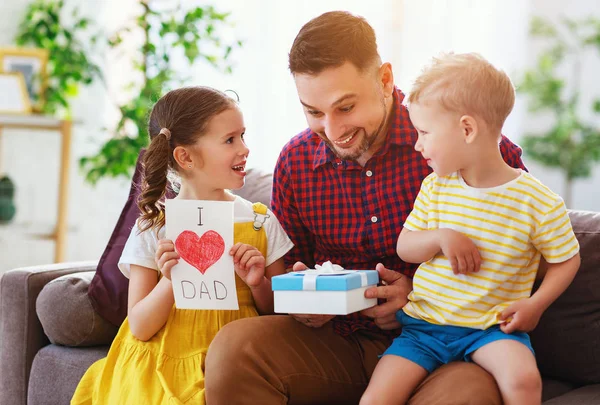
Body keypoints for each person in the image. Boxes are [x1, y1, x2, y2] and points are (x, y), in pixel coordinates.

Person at [204, 11, 530, 405]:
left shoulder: (463, 141)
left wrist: (418, 299)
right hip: (337, 343)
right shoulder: (296, 162)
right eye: (314, 112)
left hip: (446, 347)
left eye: (345, 107)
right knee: (234, 348)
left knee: (468, 395)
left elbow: (522, 259)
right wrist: (306, 301)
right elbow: (292, 269)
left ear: (385, 80)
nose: (333, 130)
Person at [359, 52, 581, 405]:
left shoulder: (537, 201)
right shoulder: (436, 187)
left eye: (424, 132)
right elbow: (405, 246)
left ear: (466, 129)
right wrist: (441, 237)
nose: (417, 143)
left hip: (490, 331)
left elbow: (566, 260)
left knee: (524, 380)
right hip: (423, 329)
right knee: (375, 398)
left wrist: (535, 305)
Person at [71, 86, 293, 405]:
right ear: (185, 156)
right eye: (230, 139)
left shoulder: (259, 221)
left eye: (243, 135)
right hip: (162, 356)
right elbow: (141, 326)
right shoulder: (155, 226)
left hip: (234, 353)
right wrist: (172, 281)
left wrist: (257, 283)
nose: (245, 148)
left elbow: (276, 313)